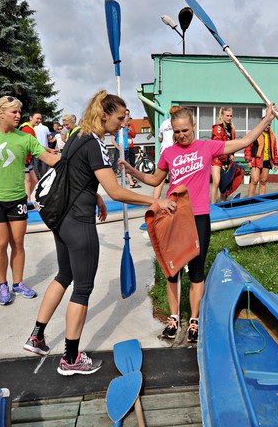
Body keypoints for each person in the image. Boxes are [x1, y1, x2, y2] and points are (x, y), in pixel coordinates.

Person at [22, 90, 176, 376]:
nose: (123, 124)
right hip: (79, 222)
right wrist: (155, 201)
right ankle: (70, 359)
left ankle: (37, 337)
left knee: (64, 275)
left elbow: (73, 174)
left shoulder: (77, 134)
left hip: (62, 218)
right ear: (104, 115)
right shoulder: (95, 143)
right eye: (120, 118)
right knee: (82, 289)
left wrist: (95, 196)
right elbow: (116, 191)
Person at [122, 105, 276, 343]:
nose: (181, 135)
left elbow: (244, 142)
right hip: (173, 216)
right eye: (177, 131)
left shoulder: (207, 147)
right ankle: (174, 318)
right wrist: (132, 170)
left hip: (199, 216)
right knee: (172, 271)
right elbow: (154, 179)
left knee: (196, 270)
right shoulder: (169, 153)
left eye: (185, 130)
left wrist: (266, 120)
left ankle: (194, 320)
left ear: (193, 126)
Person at [0, 96, 61, 306]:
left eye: (19, 112)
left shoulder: (25, 138)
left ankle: (18, 283)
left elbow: (50, 159)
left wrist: (78, 156)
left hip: (17, 198)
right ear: (1, 113)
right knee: (0, 243)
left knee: (18, 242)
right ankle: (2, 284)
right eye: (14, 112)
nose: (18, 115)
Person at [244, 122, 278, 196]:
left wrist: (276, 163)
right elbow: (248, 147)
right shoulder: (255, 134)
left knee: (263, 181)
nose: (267, 126)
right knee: (254, 180)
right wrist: (248, 160)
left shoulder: (272, 135)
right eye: (266, 124)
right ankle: (250, 199)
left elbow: (275, 149)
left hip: (267, 161)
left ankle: (262, 199)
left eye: (269, 125)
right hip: (256, 160)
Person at [210, 107, 235, 203]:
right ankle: (213, 204)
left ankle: (222, 202)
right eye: (227, 115)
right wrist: (224, 159)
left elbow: (233, 143)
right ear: (222, 116)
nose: (229, 118)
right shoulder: (218, 128)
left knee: (225, 183)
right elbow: (217, 146)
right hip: (217, 158)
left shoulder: (231, 128)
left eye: (231, 116)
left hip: (227, 158)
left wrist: (232, 153)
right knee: (216, 182)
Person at [113, 110, 139, 187]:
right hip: (120, 150)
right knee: (115, 166)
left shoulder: (127, 128)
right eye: (126, 116)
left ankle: (131, 182)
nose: (127, 120)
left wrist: (129, 128)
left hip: (126, 149)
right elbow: (112, 139)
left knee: (127, 165)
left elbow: (133, 135)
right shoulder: (118, 128)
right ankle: (113, 183)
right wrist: (118, 148)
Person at [153, 113, 174, 199]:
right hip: (175, 151)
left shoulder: (164, 123)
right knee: (175, 178)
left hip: (165, 151)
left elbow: (159, 138)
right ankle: (172, 200)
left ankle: (155, 200)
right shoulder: (178, 122)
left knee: (160, 178)